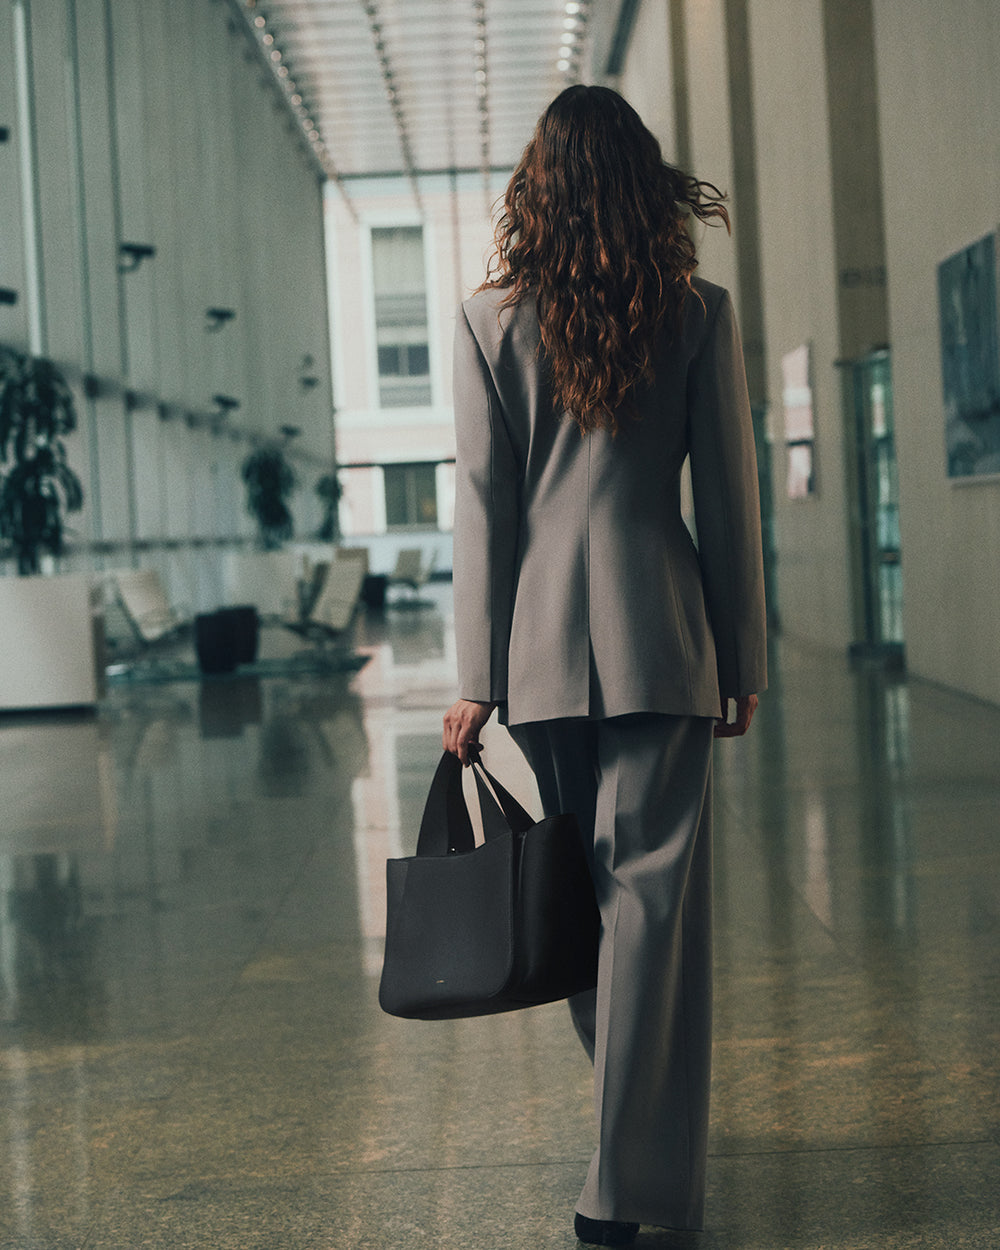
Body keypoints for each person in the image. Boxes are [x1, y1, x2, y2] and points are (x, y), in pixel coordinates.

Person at [442, 85, 767, 1249]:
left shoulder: (490, 321)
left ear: (539, 187)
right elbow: (729, 501)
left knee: (595, 906)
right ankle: (625, 1188)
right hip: (661, 635)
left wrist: (476, 671)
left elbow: (482, 508)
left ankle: (634, 1169)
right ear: (645, 183)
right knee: (652, 912)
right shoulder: (695, 312)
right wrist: (745, 652)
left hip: (538, 650)